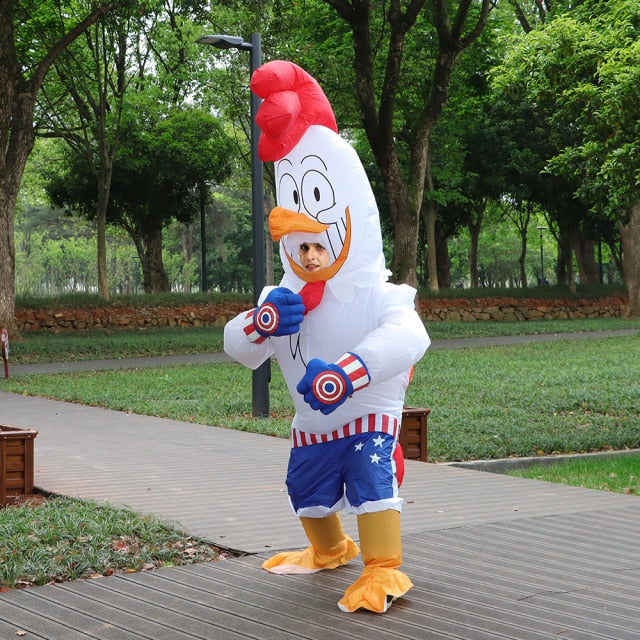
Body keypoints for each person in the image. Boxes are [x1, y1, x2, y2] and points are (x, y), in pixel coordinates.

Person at [224, 60, 430, 614]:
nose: (310, 256)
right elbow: (238, 349)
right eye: (302, 247)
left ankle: (383, 567)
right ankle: (330, 550)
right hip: (311, 423)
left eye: (319, 244)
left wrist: (349, 373)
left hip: (369, 414)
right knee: (306, 491)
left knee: (370, 477)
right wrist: (260, 323)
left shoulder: (379, 293)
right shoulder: (281, 296)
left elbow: (409, 337)